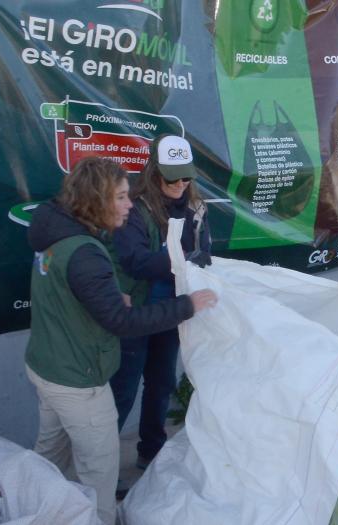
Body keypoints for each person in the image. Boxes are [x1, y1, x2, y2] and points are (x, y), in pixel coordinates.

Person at [25, 157, 216, 524]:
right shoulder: (85, 253)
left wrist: (110, 299)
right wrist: (186, 306)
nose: (130, 205)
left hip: (45, 366)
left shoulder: (56, 235)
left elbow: (67, 299)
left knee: (49, 453)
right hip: (77, 379)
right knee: (99, 472)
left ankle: (32, 506)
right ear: (97, 199)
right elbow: (122, 322)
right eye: (122, 197)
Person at [109, 134, 212, 470]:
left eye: (186, 176)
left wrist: (192, 261)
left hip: (174, 308)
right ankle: (100, 465)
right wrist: (178, 259)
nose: (181, 183)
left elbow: (205, 254)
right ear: (154, 172)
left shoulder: (196, 207)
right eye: (172, 176)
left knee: (162, 381)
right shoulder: (134, 207)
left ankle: (151, 451)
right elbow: (134, 261)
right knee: (123, 386)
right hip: (137, 310)